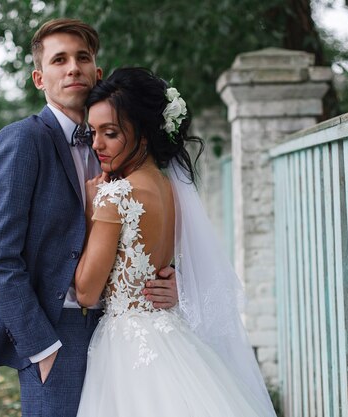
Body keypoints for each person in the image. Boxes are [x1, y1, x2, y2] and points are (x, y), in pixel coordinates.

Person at [0, 19, 178, 417]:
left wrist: (168, 276)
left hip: (117, 330)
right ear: (39, 78)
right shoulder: (23, 141)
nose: (73, 67)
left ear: (97, 73)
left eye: (83, 57)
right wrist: (40, 348)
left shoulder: (116, 146)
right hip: (54, 330)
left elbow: (141, 225)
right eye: (59, 60)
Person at [74, 67, 277, 416]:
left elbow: (86, 292)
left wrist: (93, 208)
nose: (97, 145)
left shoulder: (114, 195)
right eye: (93, 132)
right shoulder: (169, 189)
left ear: (144, 134)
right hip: (172, 337)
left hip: (128, 349)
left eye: (110, 133)